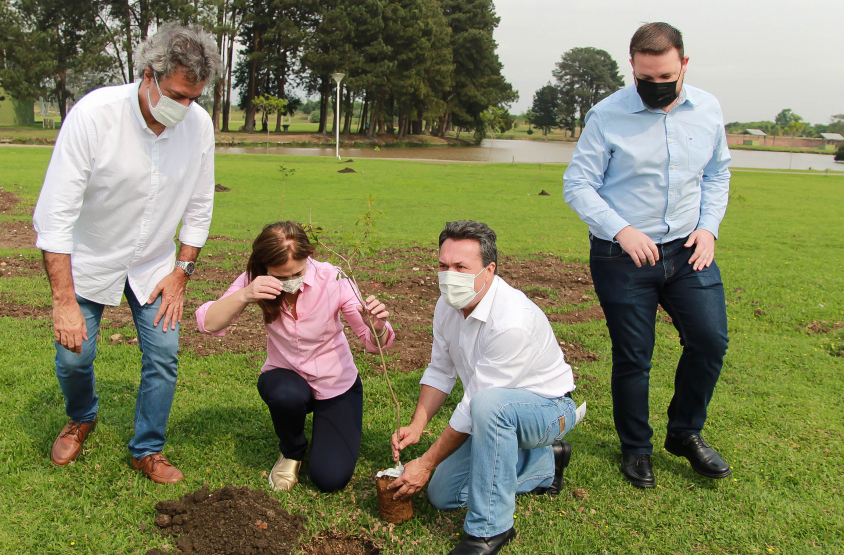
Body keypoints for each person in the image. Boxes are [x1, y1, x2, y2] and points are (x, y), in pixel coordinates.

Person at [32, 23, 221, 484]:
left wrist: (182, 271)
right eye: (176, 95)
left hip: (154, 264)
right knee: (74, 357)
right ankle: (81, 416)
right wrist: (63, 301)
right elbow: (54, 216)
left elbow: (199, 206)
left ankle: (147, 448)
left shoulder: (198, 127)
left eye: (193, 98)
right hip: (92, 259)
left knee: (164, 353)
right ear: (147, 74)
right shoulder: (94, 116)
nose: (184, 108)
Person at [563, 22, 732, 489]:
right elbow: (577, 185)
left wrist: (709, 229)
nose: (655, 87)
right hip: (623, 256)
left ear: (684, 64)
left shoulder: (709, 110)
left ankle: (685, 433)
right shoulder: (606, 115)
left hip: (687, 249)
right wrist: (623, 230)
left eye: (665, 77)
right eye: (645, 79)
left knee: (709, 340)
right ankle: (636, 448)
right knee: (635, 356)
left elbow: (717, 175)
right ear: (632, 67)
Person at [388, 220, 583, 555]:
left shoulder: (511, 321)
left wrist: (426, 462)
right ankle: (543, 465)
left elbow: (477, 402)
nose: (449, 276)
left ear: (489, 270)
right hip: (494, 411)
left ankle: (489, 530)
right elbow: (440, 370)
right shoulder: (446, 306)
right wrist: (417, 425)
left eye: (461, 267)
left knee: (488, 407)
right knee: (442, 494)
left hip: (549, 410)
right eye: (443, 266)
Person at [194, 221, 394, 493]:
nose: (290, 282)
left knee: (329, 479)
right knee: (283, 392)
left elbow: (373, 343)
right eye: (280, 276)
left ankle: (326, 436)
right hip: (287, 379)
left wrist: (377, 327)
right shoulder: (255, 280)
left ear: (308, 256)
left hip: (336, 384)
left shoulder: (332, 278)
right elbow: (209, 323)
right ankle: (291, 450)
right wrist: (245, 294)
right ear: (265, 268)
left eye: (297, 273)